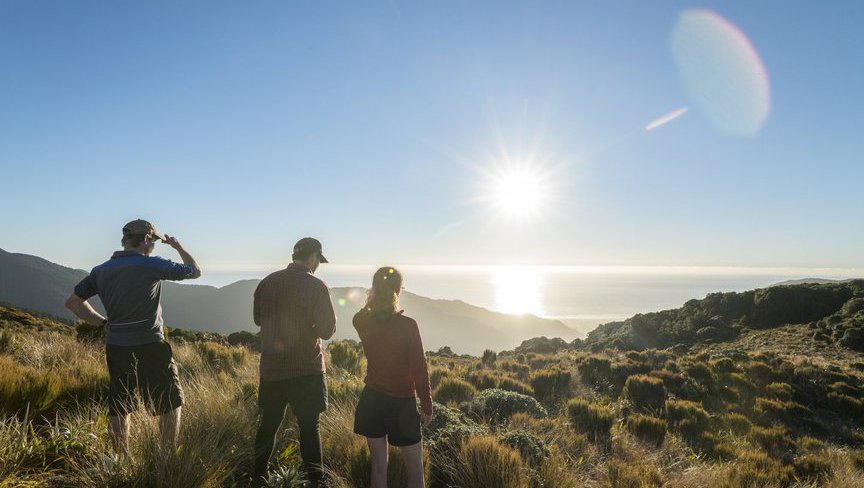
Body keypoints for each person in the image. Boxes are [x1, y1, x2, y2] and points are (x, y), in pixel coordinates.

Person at [65, 219, 201, 458]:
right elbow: (194, 271)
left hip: (117, 346)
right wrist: (178, 247)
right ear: (147, 239)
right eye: (155, 242)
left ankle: (121, 460)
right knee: (168, 401)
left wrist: (102, 323)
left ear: (126, 239)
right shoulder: (151, 265)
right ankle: (166, 458)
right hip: (150, 344)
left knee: (120, 404)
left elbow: (73, 302)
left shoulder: (101, 270)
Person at [252, 237, 336, 486]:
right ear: (313, 257)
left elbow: (258, 320)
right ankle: (315, 480)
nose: (318, 265)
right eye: (318, 260)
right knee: (310, 427)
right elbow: (327, 330)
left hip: (272, 368)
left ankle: (257, 476)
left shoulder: (267, 282)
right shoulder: (317, 286)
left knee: (268, 423)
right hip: (306, 369)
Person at [353, 267, 433, 488]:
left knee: (379, 466)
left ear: (375, 289)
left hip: (372, 400)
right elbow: (419, 369)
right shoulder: (408, 326)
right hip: (401, 404)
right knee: (415, 471)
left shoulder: (362, 321)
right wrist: (426, 405)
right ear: (398, 290)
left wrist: (371, 300)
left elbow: (362, 315)